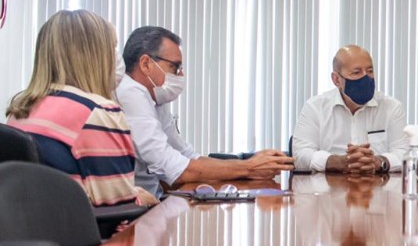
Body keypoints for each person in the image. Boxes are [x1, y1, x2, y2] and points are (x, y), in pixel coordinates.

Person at [117, 26, 294, 197]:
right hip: (139, 211)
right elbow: (172, 167)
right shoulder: (130, 93)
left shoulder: (155, 99)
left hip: (153, 202)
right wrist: (249, 167)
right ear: (146, 64)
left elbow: (187, 155)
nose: (180, 75)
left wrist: (249, 165)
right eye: (175, 67)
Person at [6, 10, 156, 207]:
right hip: (83, 226)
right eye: (112, 47)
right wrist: (143, 200)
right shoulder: (98, 112)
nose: (117, 57)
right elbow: (120, 206)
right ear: (93, 55)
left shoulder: (20, 109)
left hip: (32, 223)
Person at [293, 44, 407, 174]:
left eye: (370, 71)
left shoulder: (391, 107)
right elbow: (300, 155)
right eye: (356, 72)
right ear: (336, 79)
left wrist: (379, 162)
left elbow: (404, 153)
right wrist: (336, 162)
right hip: (329, 185)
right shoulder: (315, 107)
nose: (365, 78)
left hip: (378, 184)